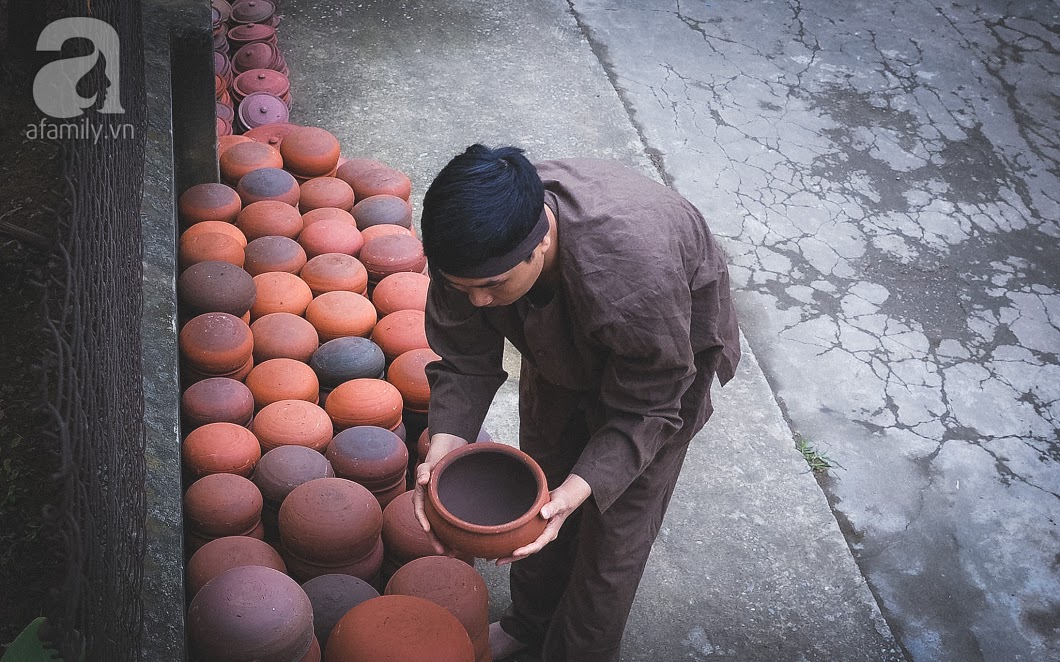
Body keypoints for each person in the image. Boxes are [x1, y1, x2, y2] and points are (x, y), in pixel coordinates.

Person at [412, 144, 741, 662]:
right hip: (562, 344)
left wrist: (582, 488)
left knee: (611, 534)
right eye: (461, 286)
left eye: (491, 286)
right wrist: (443, 445)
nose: (475, 300)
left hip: (661, 367)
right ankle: (529, 624)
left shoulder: (632, 276)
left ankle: (576, 652)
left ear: (540, 244)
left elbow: (649, 405)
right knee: (537, 487)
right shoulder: (471, 249)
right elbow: (463, 359)